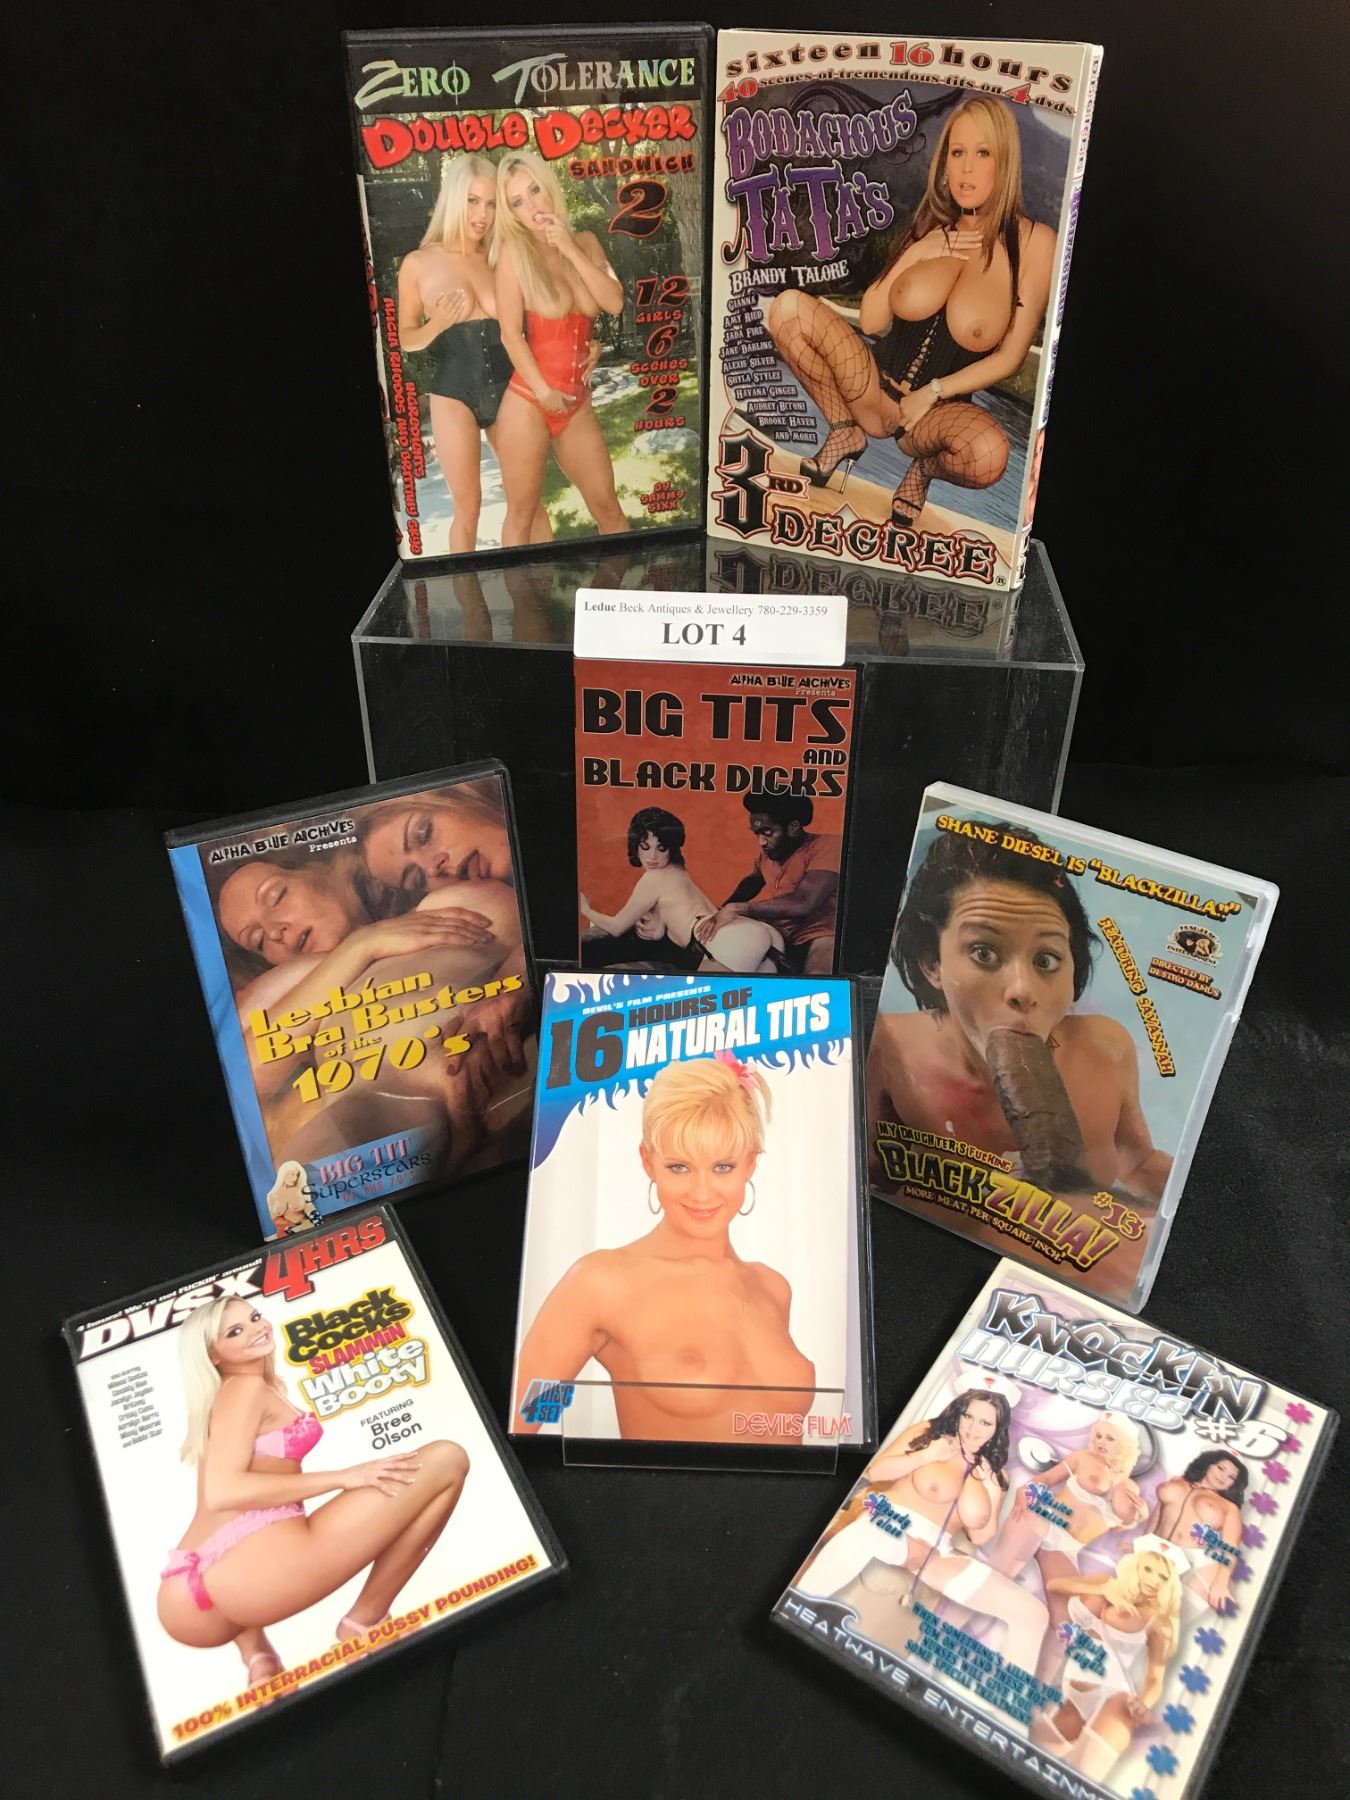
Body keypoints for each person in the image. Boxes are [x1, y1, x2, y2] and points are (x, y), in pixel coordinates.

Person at [763, 96, 1055, 530]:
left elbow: (1010, 358)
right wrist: (919, 251)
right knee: (788, 309)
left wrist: (934, 391)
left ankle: (922, 473)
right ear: (945, 161)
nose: (966, 169)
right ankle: (843, 429)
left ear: (1006, 162)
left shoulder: (1034, 244)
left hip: (933, 419)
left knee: (990, 455)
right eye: (957, 152)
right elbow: (873, 321)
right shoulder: (930, 227)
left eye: (983, 153)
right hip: (872, 385)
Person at [157, 1297, 468, 1684]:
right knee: (447, 1460)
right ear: (213, 1354)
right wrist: (343, 1477)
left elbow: (214, 1503)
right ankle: (365, 1622)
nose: (256, 1328)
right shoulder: (245, 1390)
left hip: (189, 1594)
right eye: (235, 1331)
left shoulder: (227, 1395)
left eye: (255, 1317)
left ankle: (258, 1657)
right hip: (249, 1577)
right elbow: (223, 1490)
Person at [512, 1054, 816, 1444]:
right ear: (648, 1162)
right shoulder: (600, 1282)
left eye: (722, 1167)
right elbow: (523, 1420)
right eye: (679, 1167)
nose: (702, 1193)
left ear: (750, 1165)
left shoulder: (773, 1288)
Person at [868, 824, 1173, 1200]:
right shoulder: (888, 1046)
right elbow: (867, 1174)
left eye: (1046, 959)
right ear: (932, 962)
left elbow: (1138, 1162)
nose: (1023, 990)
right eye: (983, 953)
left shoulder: (1107, 1050)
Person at [214, 844, 525, 1194]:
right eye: (258, 941)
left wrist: (509, 995)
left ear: (320, 869)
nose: (274, 931)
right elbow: (244, 1075)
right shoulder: (304, 987)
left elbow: (537, 941)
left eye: (277, 896)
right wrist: (362, 945)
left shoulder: (445, 911)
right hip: (373, 1146)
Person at [795, 1380, 1049, 1671]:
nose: (973, 1428)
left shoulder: (995, 1473)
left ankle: (1001, 1695)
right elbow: (875, 1471)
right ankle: (800, 1603)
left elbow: (980, 1535)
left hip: (939, 1549)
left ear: (997, 1428)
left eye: (985, 1422)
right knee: (866, 1534)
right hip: (891, 1521)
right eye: (968, 1416)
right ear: (958, 1412)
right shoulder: (929, 1434)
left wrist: (980, 1480)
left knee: (1032, 1614)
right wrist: (927, 1456)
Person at [396, 154, 556, 552]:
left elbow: (541, 318)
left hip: (510, 388)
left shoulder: (501, 256)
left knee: (531, 504)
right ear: (453, 199)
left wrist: (588, 342)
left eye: (490, 204)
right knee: (468, 509)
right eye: (472, 201)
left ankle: (543, 586)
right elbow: (405, 337)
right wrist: (436, 325)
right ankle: (468, 594)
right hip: (453, 394)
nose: (482, 215)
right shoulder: (418, 263)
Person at [492, 151, 629, 546]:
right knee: (522, 518)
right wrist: (542, 391)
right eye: (518, 202)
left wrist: (568, 247)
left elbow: (614, 302)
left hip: (575, 402)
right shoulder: (514, 256)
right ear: (511, 213)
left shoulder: (585, 242)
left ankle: (619, 587)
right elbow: (510, 335)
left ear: (549, 186)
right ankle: (521, 591)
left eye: (535, 190)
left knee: (609, 510)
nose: (532, 206)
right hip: (529, 401)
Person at [985, 1412, 1149, 1682]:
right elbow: (1045, 1480)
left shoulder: (1129, 1487)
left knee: (1066, 1625)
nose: (1101, 1442)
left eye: (1110, 1438)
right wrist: (1023, 1494)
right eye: (1098, 1436)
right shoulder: (1082, 1458)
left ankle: (1037, 1686)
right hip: (1041, 1519)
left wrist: (1137, 1520)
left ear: (1125, 1445)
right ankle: (944, 1621)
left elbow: (1119, 1523)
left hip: (1066, 1547)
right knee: (997, 1576)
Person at [1029, 1540, 1184, 1781]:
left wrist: (1143, 1704)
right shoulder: (1104, 1583)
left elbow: (1155, 1679)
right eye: (1148, 1569)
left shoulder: (1158, 1623)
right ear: (1135, 1566)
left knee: (1078, 1781)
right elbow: (1055, 1586)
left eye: (1163, 1577)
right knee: (1029, 1759)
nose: (1154, 1580)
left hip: (1115, 1698)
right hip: (1071, 1693)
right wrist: (1103, 1591)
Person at [580, 806, 785, 974]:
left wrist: (586, 910)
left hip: (731, 939)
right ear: (636, 846)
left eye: (661, 848)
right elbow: (658, 930)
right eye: (645, 847)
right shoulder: (678, 870)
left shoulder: (653, 878)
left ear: (671, 847)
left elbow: (617, 927)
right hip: (760, 933)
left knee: (709, 1004)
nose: (652, 857)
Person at [695, 794, 841, 975]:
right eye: (757, 833)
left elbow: (804, 902)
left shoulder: (828, 845)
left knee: (818, 979)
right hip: (784, 934)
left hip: (822, 934)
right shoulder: (767, 855)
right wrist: (721, 910)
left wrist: (737, 908)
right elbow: (752, 882)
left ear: (793, 827)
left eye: (768, 832)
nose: (761, 842)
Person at [1138, 1450, 1248, 1618]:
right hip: (1156, 1551)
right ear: (1208, 1464)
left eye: (1232, 1477)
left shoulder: (1230, 1508)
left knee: (1163, 1618)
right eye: (1221, 1468)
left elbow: (1231, 1548)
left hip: (1190, 1562)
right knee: (1135, 1607)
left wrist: (1221, 1584)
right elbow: (1159, 1514)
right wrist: (1141, 1544)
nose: (1223, 1477)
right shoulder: (1177, 1482)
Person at [265, 1161, 318, 1236]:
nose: (295, 1178)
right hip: (285, 1233)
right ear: (283, 1174)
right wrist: (293, 1228)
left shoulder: (300, 1189)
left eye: (297, 1175)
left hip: (307, 1227)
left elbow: (309, 1206)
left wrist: (315, 1219)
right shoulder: (271, 1195)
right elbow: (275, 1219)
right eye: (292, 1174)